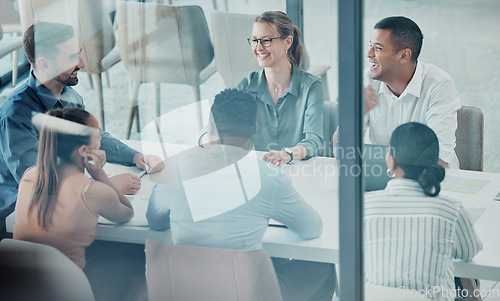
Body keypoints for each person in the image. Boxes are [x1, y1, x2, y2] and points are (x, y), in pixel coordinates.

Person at [147, 89, 336, 301]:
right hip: (244, 293)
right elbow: (312, 228)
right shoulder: (268, 177)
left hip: (186, 292)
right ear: (254, 129)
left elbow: (155, 221)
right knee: (323, 269)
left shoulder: (175, 169)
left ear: (210, 127)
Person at [0, 22, 164, 238]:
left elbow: (93, 136)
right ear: (44, 63)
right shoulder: (15, 116)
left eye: (79, 53)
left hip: (68, 205)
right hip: (23, 216)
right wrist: (102, 187)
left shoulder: (69, 94)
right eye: (71, 57)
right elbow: (38, 185)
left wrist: (135, 156)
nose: (83, 64)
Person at [364, 122, 482, 300]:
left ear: (391, 160)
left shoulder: (365, 207)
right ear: (434, 163)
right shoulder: (451, 210)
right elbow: (469, 251)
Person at [200, 11, 324, 167]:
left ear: (287, 42)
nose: (258, 48)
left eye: (266, 40)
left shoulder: (311, 87)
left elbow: (314, 141)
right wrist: (209, 138)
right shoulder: (247, 84)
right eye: (254, 40)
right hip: (257, 175)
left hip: (298, 172)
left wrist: (288, 154)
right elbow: (215, 125)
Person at [334, 16, 461, 168]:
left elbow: (439, 158)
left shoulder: (439, 85)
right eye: (370, 46)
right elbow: (340, 150)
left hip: (432, 178)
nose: (369, 54)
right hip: (381, 174)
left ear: (404, 56)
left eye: (378, 48)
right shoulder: (364, 82)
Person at [13, 108, 134, 268]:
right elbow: (127, 213)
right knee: (132, 255)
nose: (100, 137)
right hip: (69, 289)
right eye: (97, 135)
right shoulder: (92, 191)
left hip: (20, 284)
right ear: (84, 151)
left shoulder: (29, 175)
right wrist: (100, 175)